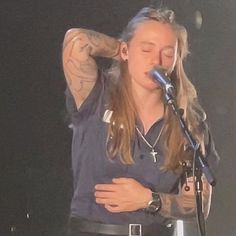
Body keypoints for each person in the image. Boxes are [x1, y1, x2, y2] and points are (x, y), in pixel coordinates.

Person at [62, 6, 219, 236]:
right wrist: (122, 49)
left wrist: (149, 199)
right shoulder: (97, 97)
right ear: (126, 51)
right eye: (146, 49)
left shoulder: (189, 122)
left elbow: (199, 203)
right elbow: (77, 41)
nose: (157, 60)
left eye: (168, 52)